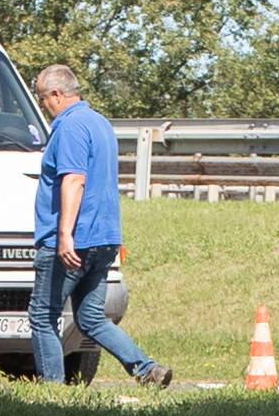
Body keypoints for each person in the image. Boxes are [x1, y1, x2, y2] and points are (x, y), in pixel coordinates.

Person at [28, 65, 173, 387]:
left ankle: (52, 389)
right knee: (91, 317)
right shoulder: (100, 123)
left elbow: (75, 180)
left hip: (71, 241)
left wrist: (64, 234)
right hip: (105, 238)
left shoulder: (70, 127)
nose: (43, 106)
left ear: (56, 94)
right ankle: (147, 369)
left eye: (42, 99)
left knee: (42, 315)